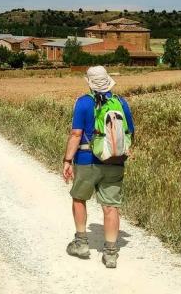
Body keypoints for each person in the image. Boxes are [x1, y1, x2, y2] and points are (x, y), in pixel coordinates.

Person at [62, 66, 134, 269]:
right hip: (114, 161)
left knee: (79, 198)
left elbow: (76, 134)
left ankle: (81, 243)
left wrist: (67, 160)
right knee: (111, 206)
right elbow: (130, 132)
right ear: (108, 81)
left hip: (86, 160)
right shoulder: (120, 102)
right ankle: (111, 253)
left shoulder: (84, 102)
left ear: (89, 82)